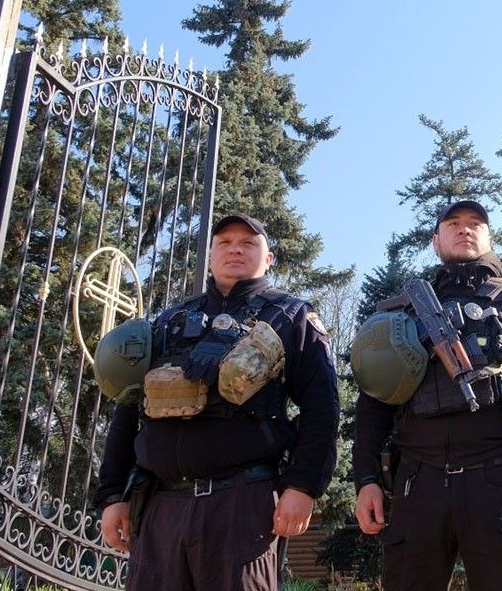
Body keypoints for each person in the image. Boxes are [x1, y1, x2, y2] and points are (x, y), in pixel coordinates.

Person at [93, 213, 340, 591]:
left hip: (242, 506)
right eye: (224, 243)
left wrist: (303, 486)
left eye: (248, 243)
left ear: (268, 258)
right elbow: (128, 406)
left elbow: (322, 409)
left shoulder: (292, 317)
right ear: (209, 255)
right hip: (160, 508)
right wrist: (112, 495)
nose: (235, 249)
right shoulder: (167, 321)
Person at [352, 200, 502, 591]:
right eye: (454, 223)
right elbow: (372, 402)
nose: (465, 229)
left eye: (476, 223)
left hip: (497, 482)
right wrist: (367, 479)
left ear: (489, 236)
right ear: (435, 240)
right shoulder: (403, 314)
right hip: (417, 484)